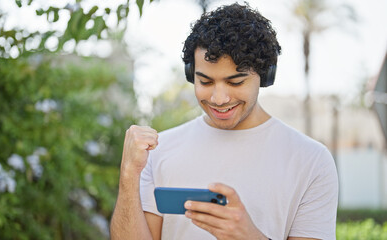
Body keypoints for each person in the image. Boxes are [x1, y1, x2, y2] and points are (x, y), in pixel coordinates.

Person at [110, 2, 338, 240]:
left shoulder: (311, 161)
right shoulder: (159, 150)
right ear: (191, 75)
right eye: (206, 82)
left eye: (235, 82)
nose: (219, 99)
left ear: (265, 76)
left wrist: (247, 236)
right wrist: (128, 175)